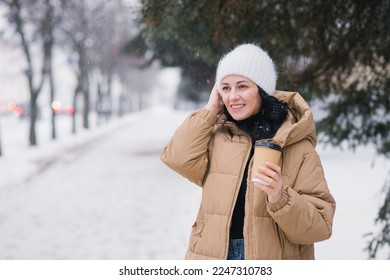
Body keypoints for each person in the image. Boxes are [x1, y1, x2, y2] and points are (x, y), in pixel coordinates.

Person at [160, 43, 336, 260]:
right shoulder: (219, 134)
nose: (232, 96)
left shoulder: (296, 144)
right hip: (212, 256)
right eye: (225, 88)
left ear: (262, 90)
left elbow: (320, 226)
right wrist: (210, 110)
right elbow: (178, 158)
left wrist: (280, 197)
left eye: (242, 86)